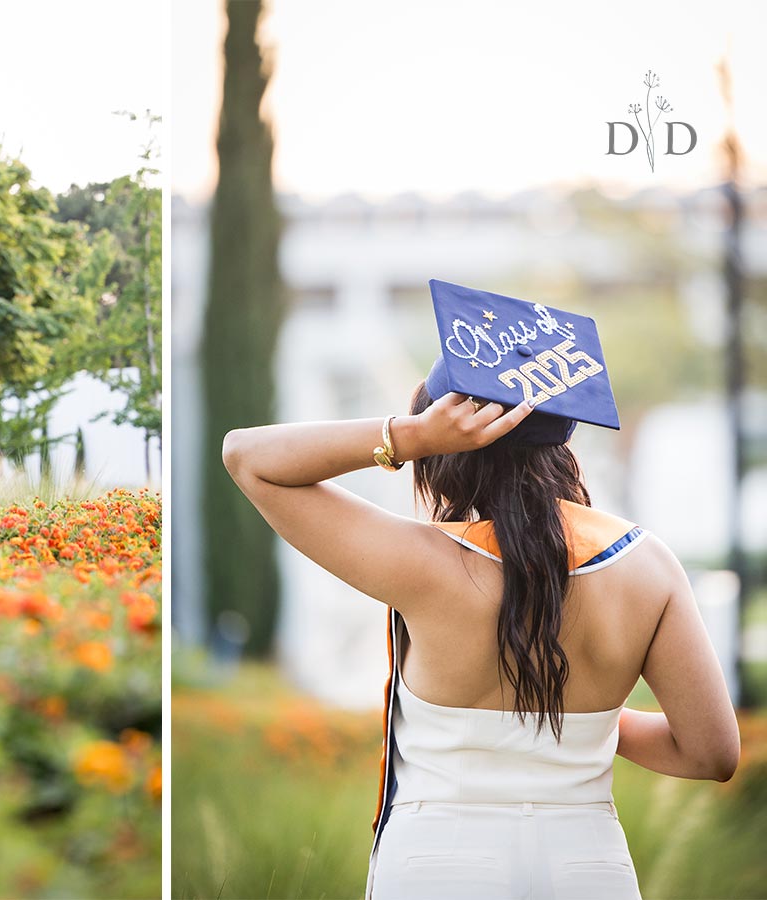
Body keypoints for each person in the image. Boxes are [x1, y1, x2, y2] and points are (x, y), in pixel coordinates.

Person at [222, 280, 740, 900]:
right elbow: (712, 754)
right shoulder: (649, 566)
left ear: (451, 449)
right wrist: (580, 724)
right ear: (562, 443)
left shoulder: (424, 563)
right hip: (589, 868)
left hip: (438, 861)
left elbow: (247, 456)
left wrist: (409, 436)